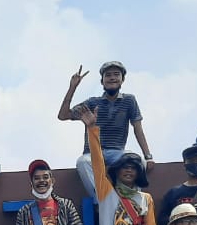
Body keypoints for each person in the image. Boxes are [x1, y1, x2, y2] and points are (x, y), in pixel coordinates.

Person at [58, 62, 155, 199]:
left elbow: (138, 129)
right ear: (102, 81)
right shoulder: (92, 102)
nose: (112, 78)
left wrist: (148, 156)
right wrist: (72, 87)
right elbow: (63, 115)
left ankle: (134, 201)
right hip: (93, 153)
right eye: (108, 75)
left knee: (138, 161)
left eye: (116, 74)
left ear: (122, 79)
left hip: (117, 153)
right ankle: (102, 200)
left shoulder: (129, 100)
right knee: (82, 162)